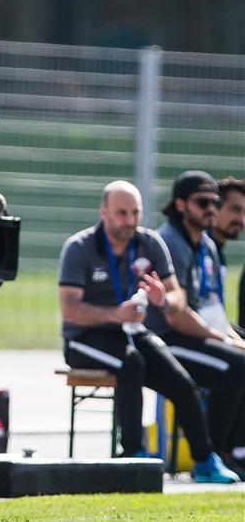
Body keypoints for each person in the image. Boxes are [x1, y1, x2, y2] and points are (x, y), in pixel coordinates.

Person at [58, 180, 239, 483]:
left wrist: (163, 300)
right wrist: (115, 314)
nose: (129, 221)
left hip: (132, 330)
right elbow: (70, 308)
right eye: (121, 213)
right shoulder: (80, 247)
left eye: (135, 213)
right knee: (132, 364)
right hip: (84, 338)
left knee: (181, 380)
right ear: (104, 212)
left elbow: (177, 296)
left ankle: (205, 460)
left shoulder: (149, 242)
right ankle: (133, 458)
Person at [145, 171, 245, 476]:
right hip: (165, 338)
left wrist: (233, 337)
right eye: (203, 202)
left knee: (240, 357)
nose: (210, 210)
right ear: (180, 204)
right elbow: (177, 315)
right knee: (236, 365)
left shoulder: (207, 245)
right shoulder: (169, 242)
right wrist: (224, 340)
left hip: (196, 334)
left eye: (214, 203)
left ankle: (234, 450)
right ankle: (213, 455)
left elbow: (212, 306)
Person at [210, 177, 245, 337]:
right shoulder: (199, 249)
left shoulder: (217, 251)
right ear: (214, 208)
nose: (241, 220)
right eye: (235, 210)